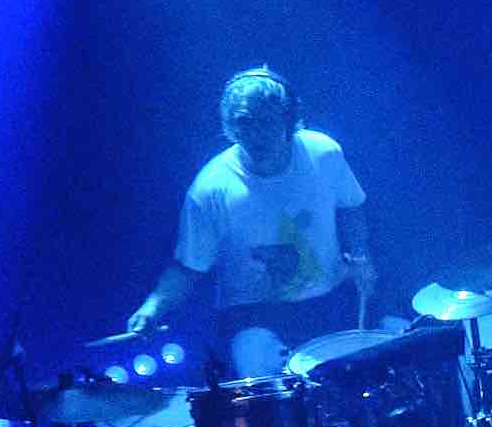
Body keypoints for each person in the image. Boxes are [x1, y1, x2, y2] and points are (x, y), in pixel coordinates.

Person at [126, 63, 371, 373]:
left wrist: (360, 258)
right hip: (251, 315)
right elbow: (189, 266)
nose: (256, 134)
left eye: (267, 121)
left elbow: (351, 206)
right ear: (230, 127)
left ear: (289, 119)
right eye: (244, 121)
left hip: (327, 301)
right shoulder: (211, 189)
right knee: (269, 390)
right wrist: (152, 308)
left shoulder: (323, 153)